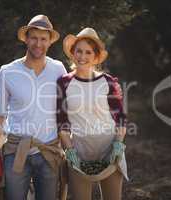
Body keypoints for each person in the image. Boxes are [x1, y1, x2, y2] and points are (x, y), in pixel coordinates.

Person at [0, 15, 67, 200]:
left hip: (49, 151)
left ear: (49, 42)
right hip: (16, 152)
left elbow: (65, 111)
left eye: (43, 39)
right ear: (26, 39)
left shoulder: (58, 69)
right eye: (34, 37)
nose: (38, 43)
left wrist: (69, 146)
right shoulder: (8, 72)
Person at [57, 27, 128, 200]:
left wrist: (118, 145)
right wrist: (70, 151)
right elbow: (62, 123)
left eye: (88, 52)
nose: (82, 56)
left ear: (96, 57)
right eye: (79, 51)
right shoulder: (64, 83)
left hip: (109, 150)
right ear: (73, 53)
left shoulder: (109, 82)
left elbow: (121, 119)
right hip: (79, 153)